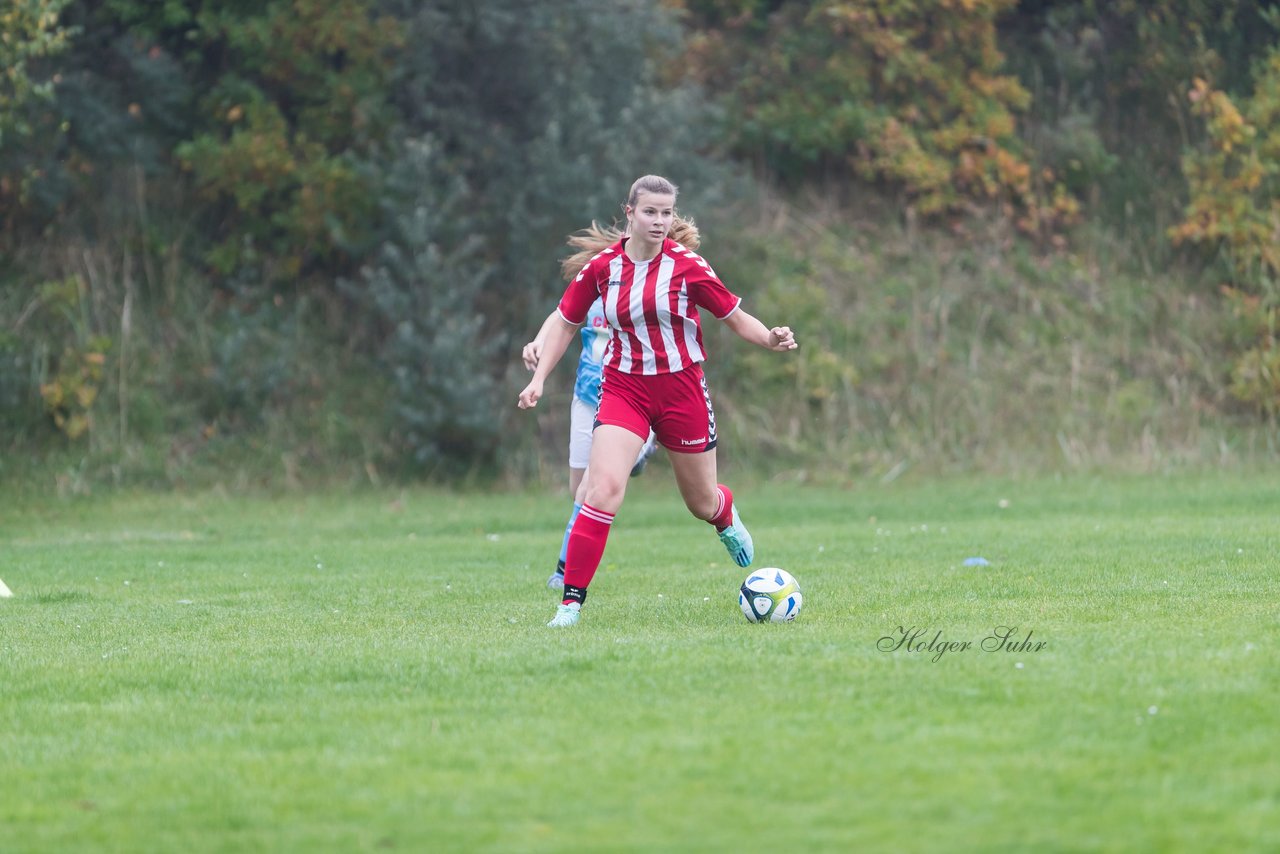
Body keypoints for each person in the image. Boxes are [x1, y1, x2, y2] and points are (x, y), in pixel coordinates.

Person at [517, 175, 798, 627]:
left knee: (700, 501)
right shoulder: (602, 267)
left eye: (667, 213)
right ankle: (570, 604)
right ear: (629, 214)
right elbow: (566, 322)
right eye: (650, 212)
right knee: (602, 488)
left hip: (681, 391)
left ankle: (724, 517)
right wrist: (540, 380)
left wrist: (770, 338)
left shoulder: (688, 266)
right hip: (624, 388)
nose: (660, 221)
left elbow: (733, 316)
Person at [523, 295, 658, 591]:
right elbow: (563, 315)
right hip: (587, 392)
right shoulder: (598, 272)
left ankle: (563, 571)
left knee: (589, 487)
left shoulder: (651, 279)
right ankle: (639, 454)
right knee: (578, 490)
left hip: (627, 396)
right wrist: (539, 341)